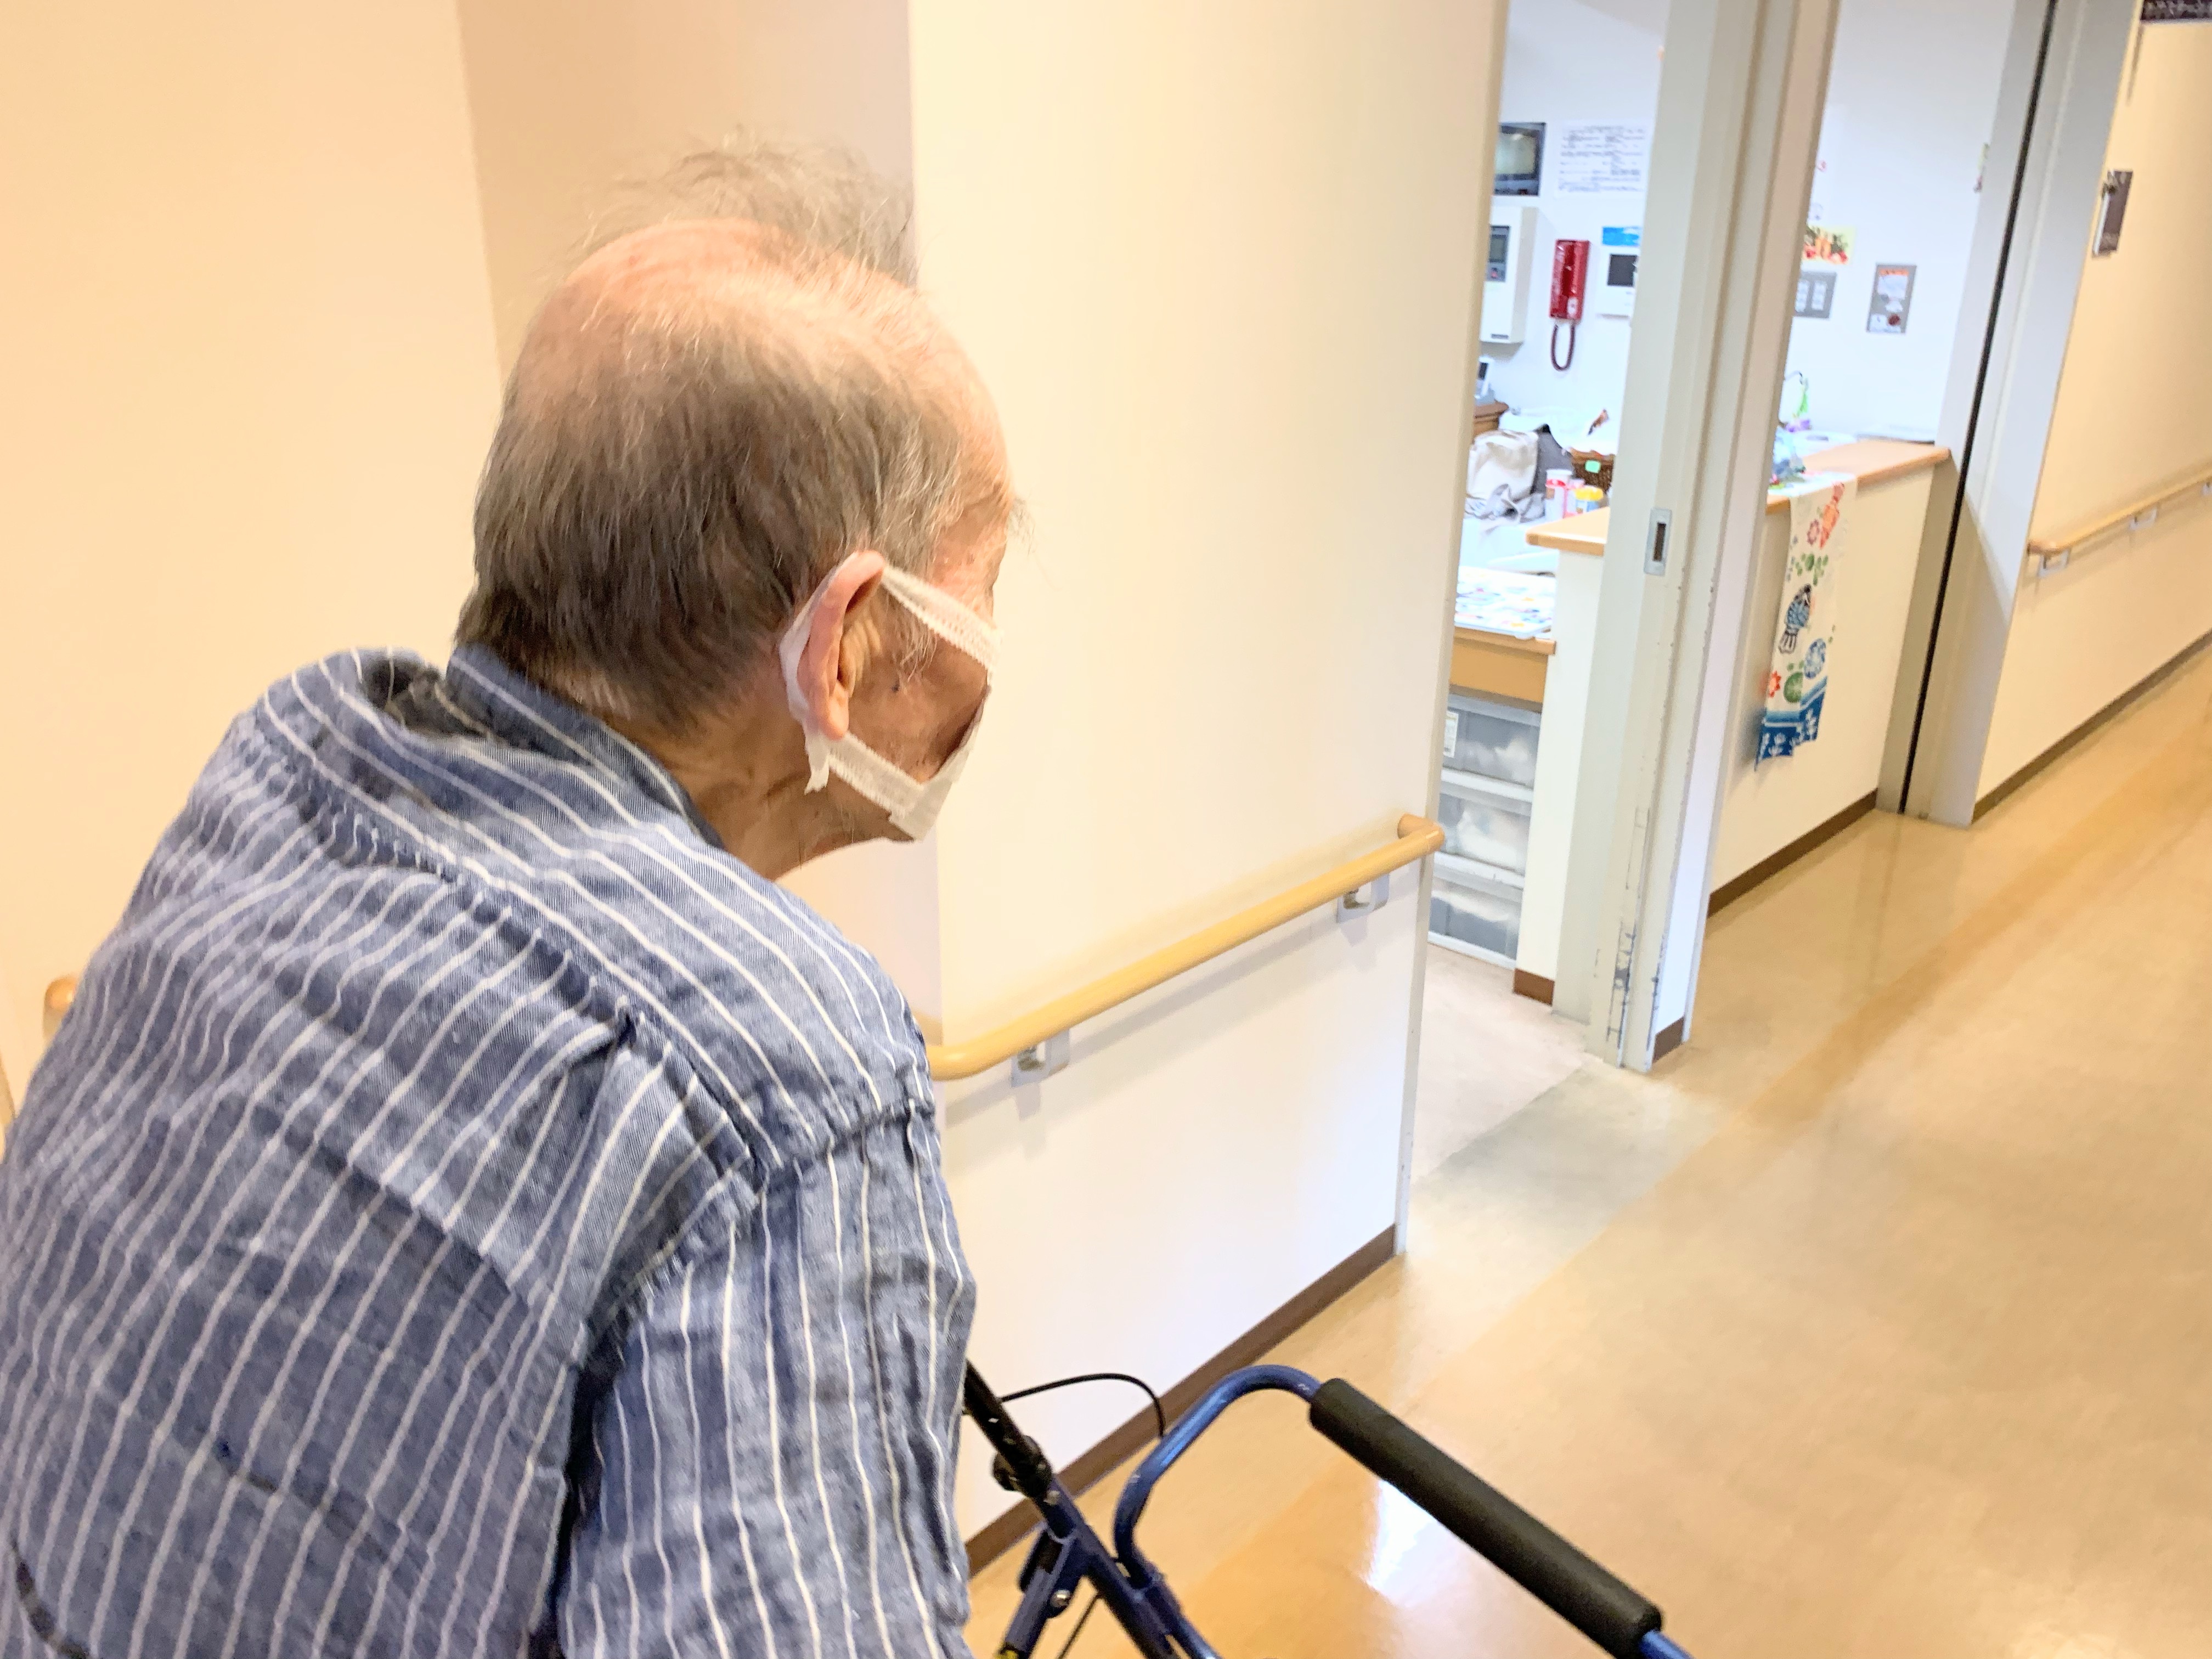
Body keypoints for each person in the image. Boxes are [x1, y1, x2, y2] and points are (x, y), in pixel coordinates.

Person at [0, 143, 1009, 1657]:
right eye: (980, 596)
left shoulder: (289, 757)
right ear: (848, 643)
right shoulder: (782, 1078)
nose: (987, 664)